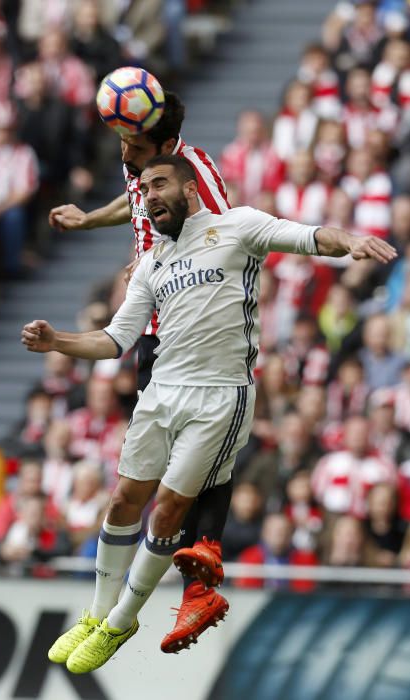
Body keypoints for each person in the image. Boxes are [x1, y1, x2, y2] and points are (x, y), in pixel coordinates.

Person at [22, 154, 397, 673]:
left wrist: (350, 242)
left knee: (170, 509)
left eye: (160, 184)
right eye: (145, 189)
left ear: (191, 189)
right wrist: (57, 341)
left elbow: (311, 235)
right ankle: (96, 612)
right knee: (122, 499)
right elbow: (115, 339)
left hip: (219, 396)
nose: (149, 195)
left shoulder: (238, 226)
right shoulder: (152, 262)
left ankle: (119, 622)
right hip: (160, 394)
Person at [48, 90, 233, 654]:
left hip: (193, 332)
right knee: (143, 480)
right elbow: (131, 204)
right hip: (151, 330)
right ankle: (110, 612)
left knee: (195, 455)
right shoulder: (144, 172)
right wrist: (89, 221)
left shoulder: (194, 173)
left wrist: (162, 257)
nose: (122, 152)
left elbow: (226, 241)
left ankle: (202, 573)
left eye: (130, 142)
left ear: (159, 142)